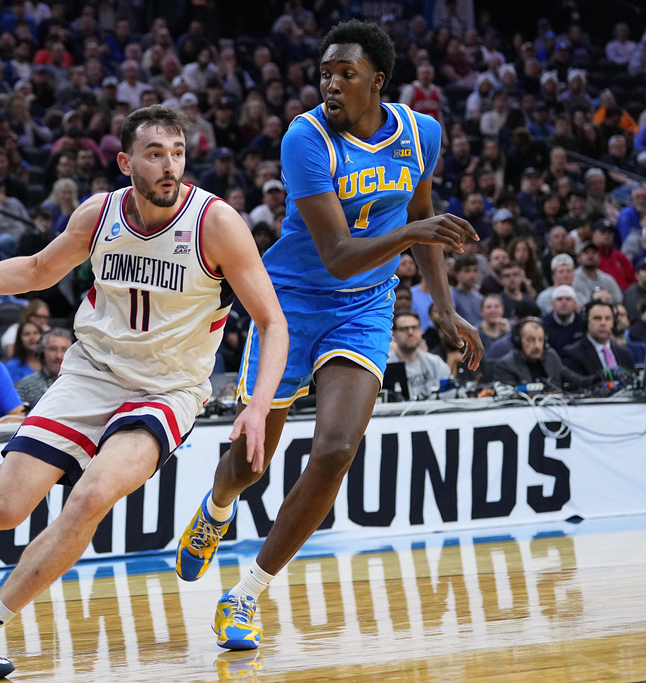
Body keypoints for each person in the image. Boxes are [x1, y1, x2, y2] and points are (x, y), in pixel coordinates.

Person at [0, 105, 288, 680]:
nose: (170, 166)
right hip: (91, 374)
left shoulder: (216, 223)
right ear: (126, 162)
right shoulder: (99, 214)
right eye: (155, 154)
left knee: (91, 497)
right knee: (2, 512)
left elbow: (272, 322)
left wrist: (257, 407)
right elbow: (38, 270)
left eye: (177, 153)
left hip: (168, 389)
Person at [174, 20, 480, 655]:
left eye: (346, 74)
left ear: (377, 81)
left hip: (364, 308)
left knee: (338, 449)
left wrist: (444, 308)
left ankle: (246, 594)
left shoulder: (421, 133)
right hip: (289, 305)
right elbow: (339, 255)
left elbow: (421, 214)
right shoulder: (305, 138)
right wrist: (409, 236)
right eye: (325, 74)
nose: (331, 84)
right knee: (250, 463)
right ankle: (217, 507)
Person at [493, 317, 589, 390]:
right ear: (518, 341)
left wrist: (596, 379)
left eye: (541, 340)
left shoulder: (551, 356)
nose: (537, 346)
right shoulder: (506, 365)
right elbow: (511, 397)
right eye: (530, 340)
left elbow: (577, 381)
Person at [559, 300, 636, 381]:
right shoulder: (572, 354)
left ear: (614, 322)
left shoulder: (625, 354)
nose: (603, 323)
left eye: (608, 318)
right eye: (597, 318)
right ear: (586, 321)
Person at [387, 310, 453, 399]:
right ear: (393, 334)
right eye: (404, 329)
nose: (410, 333)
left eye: (414, 327)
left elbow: (452, 391)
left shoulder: (435, 362)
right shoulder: (385, 366)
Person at [16, 327, 71, 409]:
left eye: (64, 350)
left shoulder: (78, 383)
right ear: (41, 352)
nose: (58, 356)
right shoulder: (26, 385)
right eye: (53, 349)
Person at [542, 285, 587, 353]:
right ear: (552, 304)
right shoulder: (544, 324)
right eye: (559, 299)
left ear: (575, 304)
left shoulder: (583, 322)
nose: (564, 303)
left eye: (568, 299)